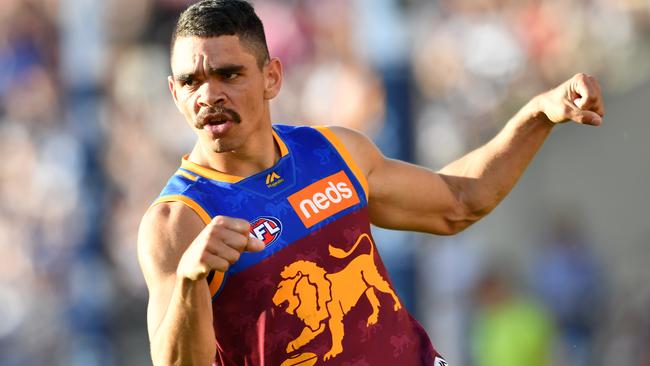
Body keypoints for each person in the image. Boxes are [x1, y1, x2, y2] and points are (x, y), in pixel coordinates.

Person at [136, 1, 605, 365]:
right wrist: (190, 281)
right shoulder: (177, 220)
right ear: (174, 93)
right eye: (191, 81)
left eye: (229, 74)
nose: (209, 94)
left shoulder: (333, 152)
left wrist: (536, 115)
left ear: (271, 77)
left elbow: (459, 202)